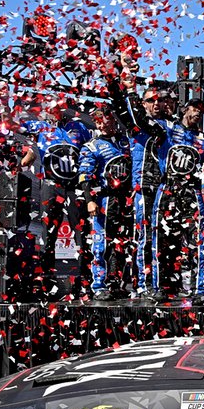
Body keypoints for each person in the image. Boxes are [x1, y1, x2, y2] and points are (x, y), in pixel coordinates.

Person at [109, 67, 180, 300]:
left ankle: (166, 281)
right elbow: (123, 110)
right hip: (145, 187)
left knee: (167, 238)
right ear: (143, 103)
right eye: (151, 101)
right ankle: (146, 284)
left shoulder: (165, 126)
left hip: (167, 188)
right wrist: (117, 80)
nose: (157, 104)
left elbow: (138, 116)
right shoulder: (137, 125)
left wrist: (130, 90)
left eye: (160, 100)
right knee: (147, 236)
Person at [18, 103, 92, 296]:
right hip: (51, 186)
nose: (56, 112)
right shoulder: (42, 127)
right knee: (48, 232)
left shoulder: (80, 128)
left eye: (60, 108)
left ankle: (82, 280)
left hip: (74, 186)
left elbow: (90, 151)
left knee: (80, 233)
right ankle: (44, 277)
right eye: (52, 108)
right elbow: (14, 126)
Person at [77, 107, 132, 300]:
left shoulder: (127, 142)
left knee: (122, 244)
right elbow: (84, 176)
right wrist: (90, 200)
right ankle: (98, 285)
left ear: (113, 119)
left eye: (104, 119)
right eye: (97, 120)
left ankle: (115, 283)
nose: (100, 123)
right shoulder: (92, 146)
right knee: (101, 243)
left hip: (126, 200)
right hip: (104, 200)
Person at [161, 98, 204, 300]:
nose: (198, 113)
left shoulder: (203, 138)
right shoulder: (169, 129)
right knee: (167, 239)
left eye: (202, 111)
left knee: (197, 240)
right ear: (185, 109)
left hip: (192, 192)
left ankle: (199, 289)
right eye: (194, 108)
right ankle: (170, 285)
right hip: (170, 190)